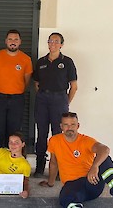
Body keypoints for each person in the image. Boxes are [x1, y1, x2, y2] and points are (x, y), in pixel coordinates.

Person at [39, 112, 113, 208]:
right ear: (61, 126)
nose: (69, 128)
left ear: (78, 126)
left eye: (73, 124)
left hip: (92, 181)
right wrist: (50, 183)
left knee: (105, 160)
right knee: (66, 199)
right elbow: (53, 163)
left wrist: (95, 166)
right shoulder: (54, 140)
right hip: (72, 185)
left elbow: (105, 149)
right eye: (66, 125)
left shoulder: (86, 140)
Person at [33, 32, 78, 178]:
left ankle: (58, 169)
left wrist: (65, 102)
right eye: (50, 41)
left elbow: (74, 86)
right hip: (42, 99)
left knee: (58, 134)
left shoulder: (67, 62)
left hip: (59, 99)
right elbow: (36, 83)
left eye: (56, 41)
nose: (52, 43)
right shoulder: (41, 62)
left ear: (61, 45)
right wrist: (43, 94)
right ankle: (40, 167)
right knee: (41, 133)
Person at [0, 29, 33, 150]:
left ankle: (11, 162)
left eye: (16, 39)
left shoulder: (26, 59)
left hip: (17, 99)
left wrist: (16, 89)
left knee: (14, 131)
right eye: (10, 39)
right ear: (6, 41)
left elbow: (27, 80)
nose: (13, 42)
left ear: (20, 42)